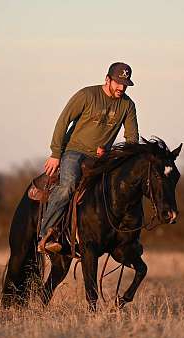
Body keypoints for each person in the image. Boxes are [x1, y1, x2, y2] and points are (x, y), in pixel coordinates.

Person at [38, 62, 140, 253]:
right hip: (74, 151)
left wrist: (112, 154)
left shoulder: (128, 105)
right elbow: (63, 121)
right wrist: (55, 153)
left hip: (102, 158)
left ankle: (123, 240)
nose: (122, 88)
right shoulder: (87, 95)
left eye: (125, 84)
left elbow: (132, 139)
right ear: (107, 79)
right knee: (68, 185)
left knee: (121, 189)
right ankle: (46, 234)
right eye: (118, 83)